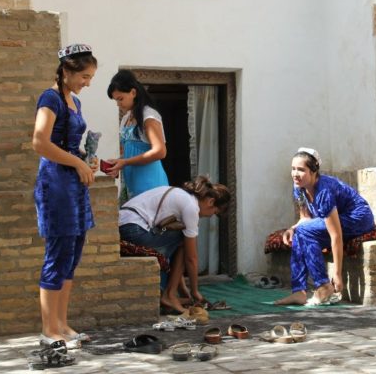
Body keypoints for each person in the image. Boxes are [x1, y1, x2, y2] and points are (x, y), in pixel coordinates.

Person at [32, 43, 98, 349]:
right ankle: (49, 331)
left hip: (75, 184)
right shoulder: (50, 98)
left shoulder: (74, 101)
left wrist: (86, 159)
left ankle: (61, 323)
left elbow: (71, 145)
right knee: (58, 254)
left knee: (72, 255)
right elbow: (40, 143)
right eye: (84, 76)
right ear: (67, 71)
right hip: (56, 184)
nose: (88, 82)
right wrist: (75, 162)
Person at [274, 147, 375, 306]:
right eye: (293, 169)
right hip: (334, 221)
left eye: (301, 170)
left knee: (304, 232)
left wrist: (337, 273)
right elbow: (305, 219)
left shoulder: (324, 191)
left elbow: (336, 235)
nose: (295, 174)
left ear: (313, 172)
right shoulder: (299, 188)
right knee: (300, 233)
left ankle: (323, 286)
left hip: (358, 218)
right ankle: (299, 292)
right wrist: (292, 228)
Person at [119, 176, 231, 313]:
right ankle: (169, 295)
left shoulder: (183, 195)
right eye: (214, 212)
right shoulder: (191, 207)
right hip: (133, 229)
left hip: (124, 225)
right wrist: (195, 292)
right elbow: (191, 258)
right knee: (185, 240)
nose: (210, 216)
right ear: (211, 201)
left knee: (181, 239)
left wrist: (184, 289)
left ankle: (177, 292)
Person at [105, 69, 168, 198]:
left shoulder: (148, 116)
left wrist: (126, 162)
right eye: (116, 100)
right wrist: (119, 162)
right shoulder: (126, 119)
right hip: (133, 186)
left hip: (151, 185)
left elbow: (160, 151)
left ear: (133, 92)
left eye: (120, 99)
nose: (118, 104)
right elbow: (132, 152)